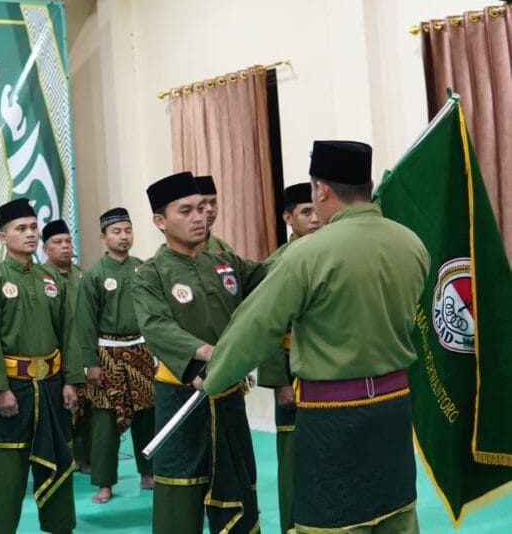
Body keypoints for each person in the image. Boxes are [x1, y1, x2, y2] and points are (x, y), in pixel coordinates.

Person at [204, 141, 430, 533]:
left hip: (333, 418)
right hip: (393, 409)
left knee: (331, 521)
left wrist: (213, 377)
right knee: (395, 513)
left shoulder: (308, 254)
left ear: (321, 189)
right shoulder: (411, 243)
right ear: (367, 184)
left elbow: (255, 327)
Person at [132, 172, 267, 534]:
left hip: (227, 397)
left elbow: (273, 275)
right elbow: (156, 326)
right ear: (160, 221)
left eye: (203, 208)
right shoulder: (150, 274)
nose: (200, 216)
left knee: (237, 489)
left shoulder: (225, 264)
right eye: (186, 210)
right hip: (181, 396)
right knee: (181, 494)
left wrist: (306, 245)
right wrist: (208, 352)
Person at [0, 198, 83, 534]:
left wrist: (71, 380)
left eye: (34, 227)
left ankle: (61, 528)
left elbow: (69, 332)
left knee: (59, 461)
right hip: (13, 389)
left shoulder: (51, 279)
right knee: (8, 471)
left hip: (52, 386)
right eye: (21, 228)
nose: (30, 234)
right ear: (2, 237)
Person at [76, 207, 155, 504]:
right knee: (105, 421)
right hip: (107, 354)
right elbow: (85, 321)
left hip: (141, 351)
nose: (124, 236)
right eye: (116, 231)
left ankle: (149, 472)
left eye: (128, 230)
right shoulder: (94, 274)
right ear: (104, 237)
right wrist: (90, 363)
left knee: (147, 414)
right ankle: (105, 483)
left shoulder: (144, 269)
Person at [255, 182, 320, 534]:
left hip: (331, 372)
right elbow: (267, 329)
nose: (315, 219)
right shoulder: (275, 265)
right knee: (294, 457)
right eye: (305, 212)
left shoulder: (334, 253)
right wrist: (279, 382)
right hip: (292, 372)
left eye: (317, 210)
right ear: (288, 218)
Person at [40, 219, 90, 473]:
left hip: (83, 351)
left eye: (68, 241)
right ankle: (62, 457)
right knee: (60, 406)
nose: (65, 246)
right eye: (57, 242)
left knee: (86, 407)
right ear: (45, 248)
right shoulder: (40, 278)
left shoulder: (82, 276)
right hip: (54, 354)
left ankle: (84, 457)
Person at [195, 175, 234, 254]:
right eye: (203, 203)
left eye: (213, 202)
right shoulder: (180, 248)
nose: (210, 209)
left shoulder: (224, 249)